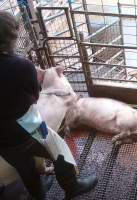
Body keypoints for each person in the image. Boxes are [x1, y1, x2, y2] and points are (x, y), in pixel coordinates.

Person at [0, 11, 97, 199]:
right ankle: (72, 186)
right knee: (58, 146)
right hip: (29, 128)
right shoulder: (23, 66)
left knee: (24, 166)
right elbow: (34, 97)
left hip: (3, 140)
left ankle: (39, 195)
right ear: (12, 37)